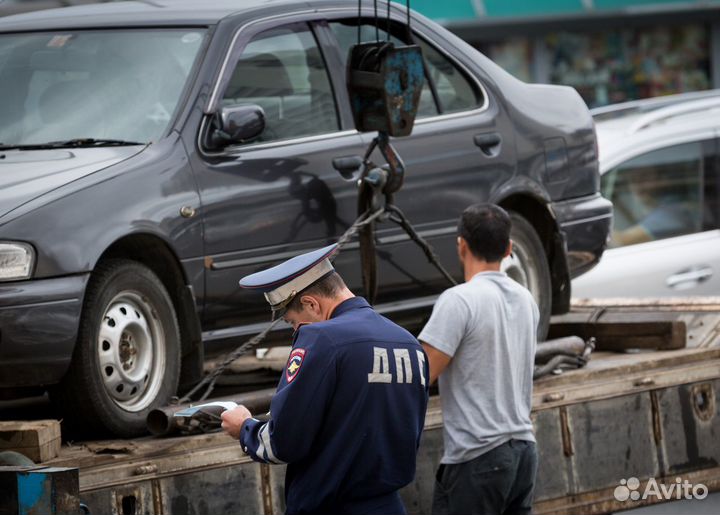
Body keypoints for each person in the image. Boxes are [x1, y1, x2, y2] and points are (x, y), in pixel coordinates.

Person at [221, 243, 429, 515]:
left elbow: (284, 442)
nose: (296, 330)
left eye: (293, 322)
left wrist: (245, 427)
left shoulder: (322, 339)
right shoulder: (410, 344)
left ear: (311, 304)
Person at [418, 203, 539, 515]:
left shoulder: (459, 301)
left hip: (479, 457)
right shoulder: (526, 299)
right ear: (509, 248)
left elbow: (421, 374)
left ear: (461, 245)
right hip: (524, 450)